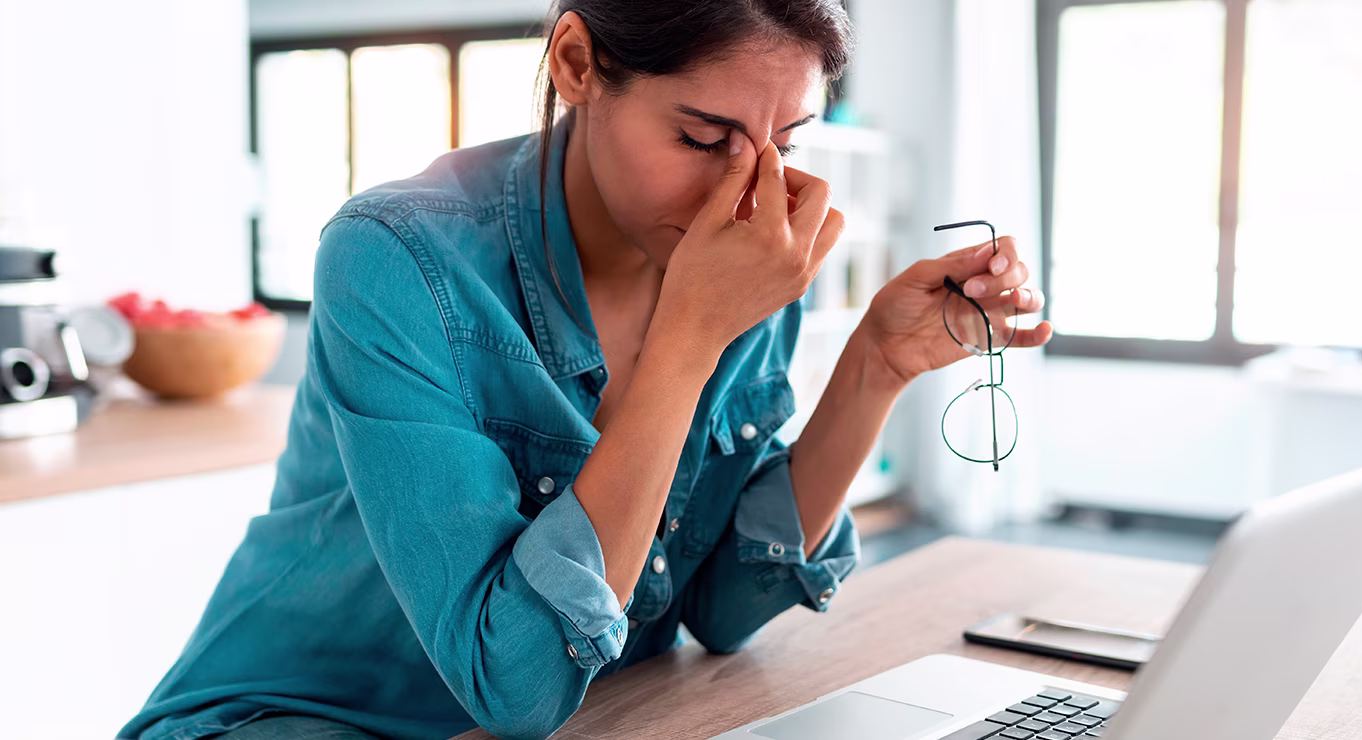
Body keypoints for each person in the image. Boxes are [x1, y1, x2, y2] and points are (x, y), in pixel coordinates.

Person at [119, 1, 1050, 739]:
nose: (752, 194)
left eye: (788, 144)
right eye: (700, 137)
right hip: (301, 721)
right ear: (575, 64)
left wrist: (875, 367)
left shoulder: (746, 251)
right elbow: (513, 686)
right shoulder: (396, 258)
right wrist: (687, 342)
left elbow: (722, 610)